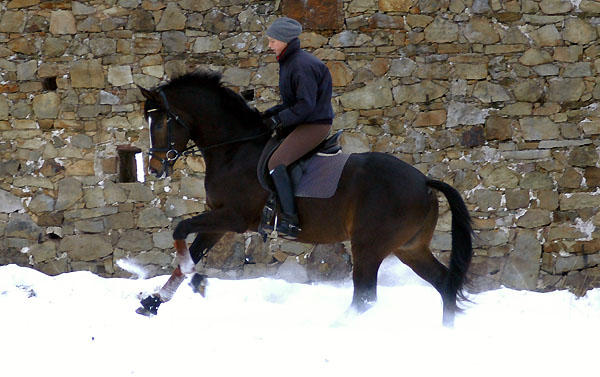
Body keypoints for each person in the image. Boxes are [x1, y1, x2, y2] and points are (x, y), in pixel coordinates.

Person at [262, 17, 334, 239]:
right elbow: (293, 102)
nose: (269, 45)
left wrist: (279, 120)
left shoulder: (301, 65)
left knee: (276, 162)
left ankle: (291, 221)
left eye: (273, 41)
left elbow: (306, 105)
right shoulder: (290, 62)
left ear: (284, 40)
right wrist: (270, 114)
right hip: (304, 120)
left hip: (315, 124)